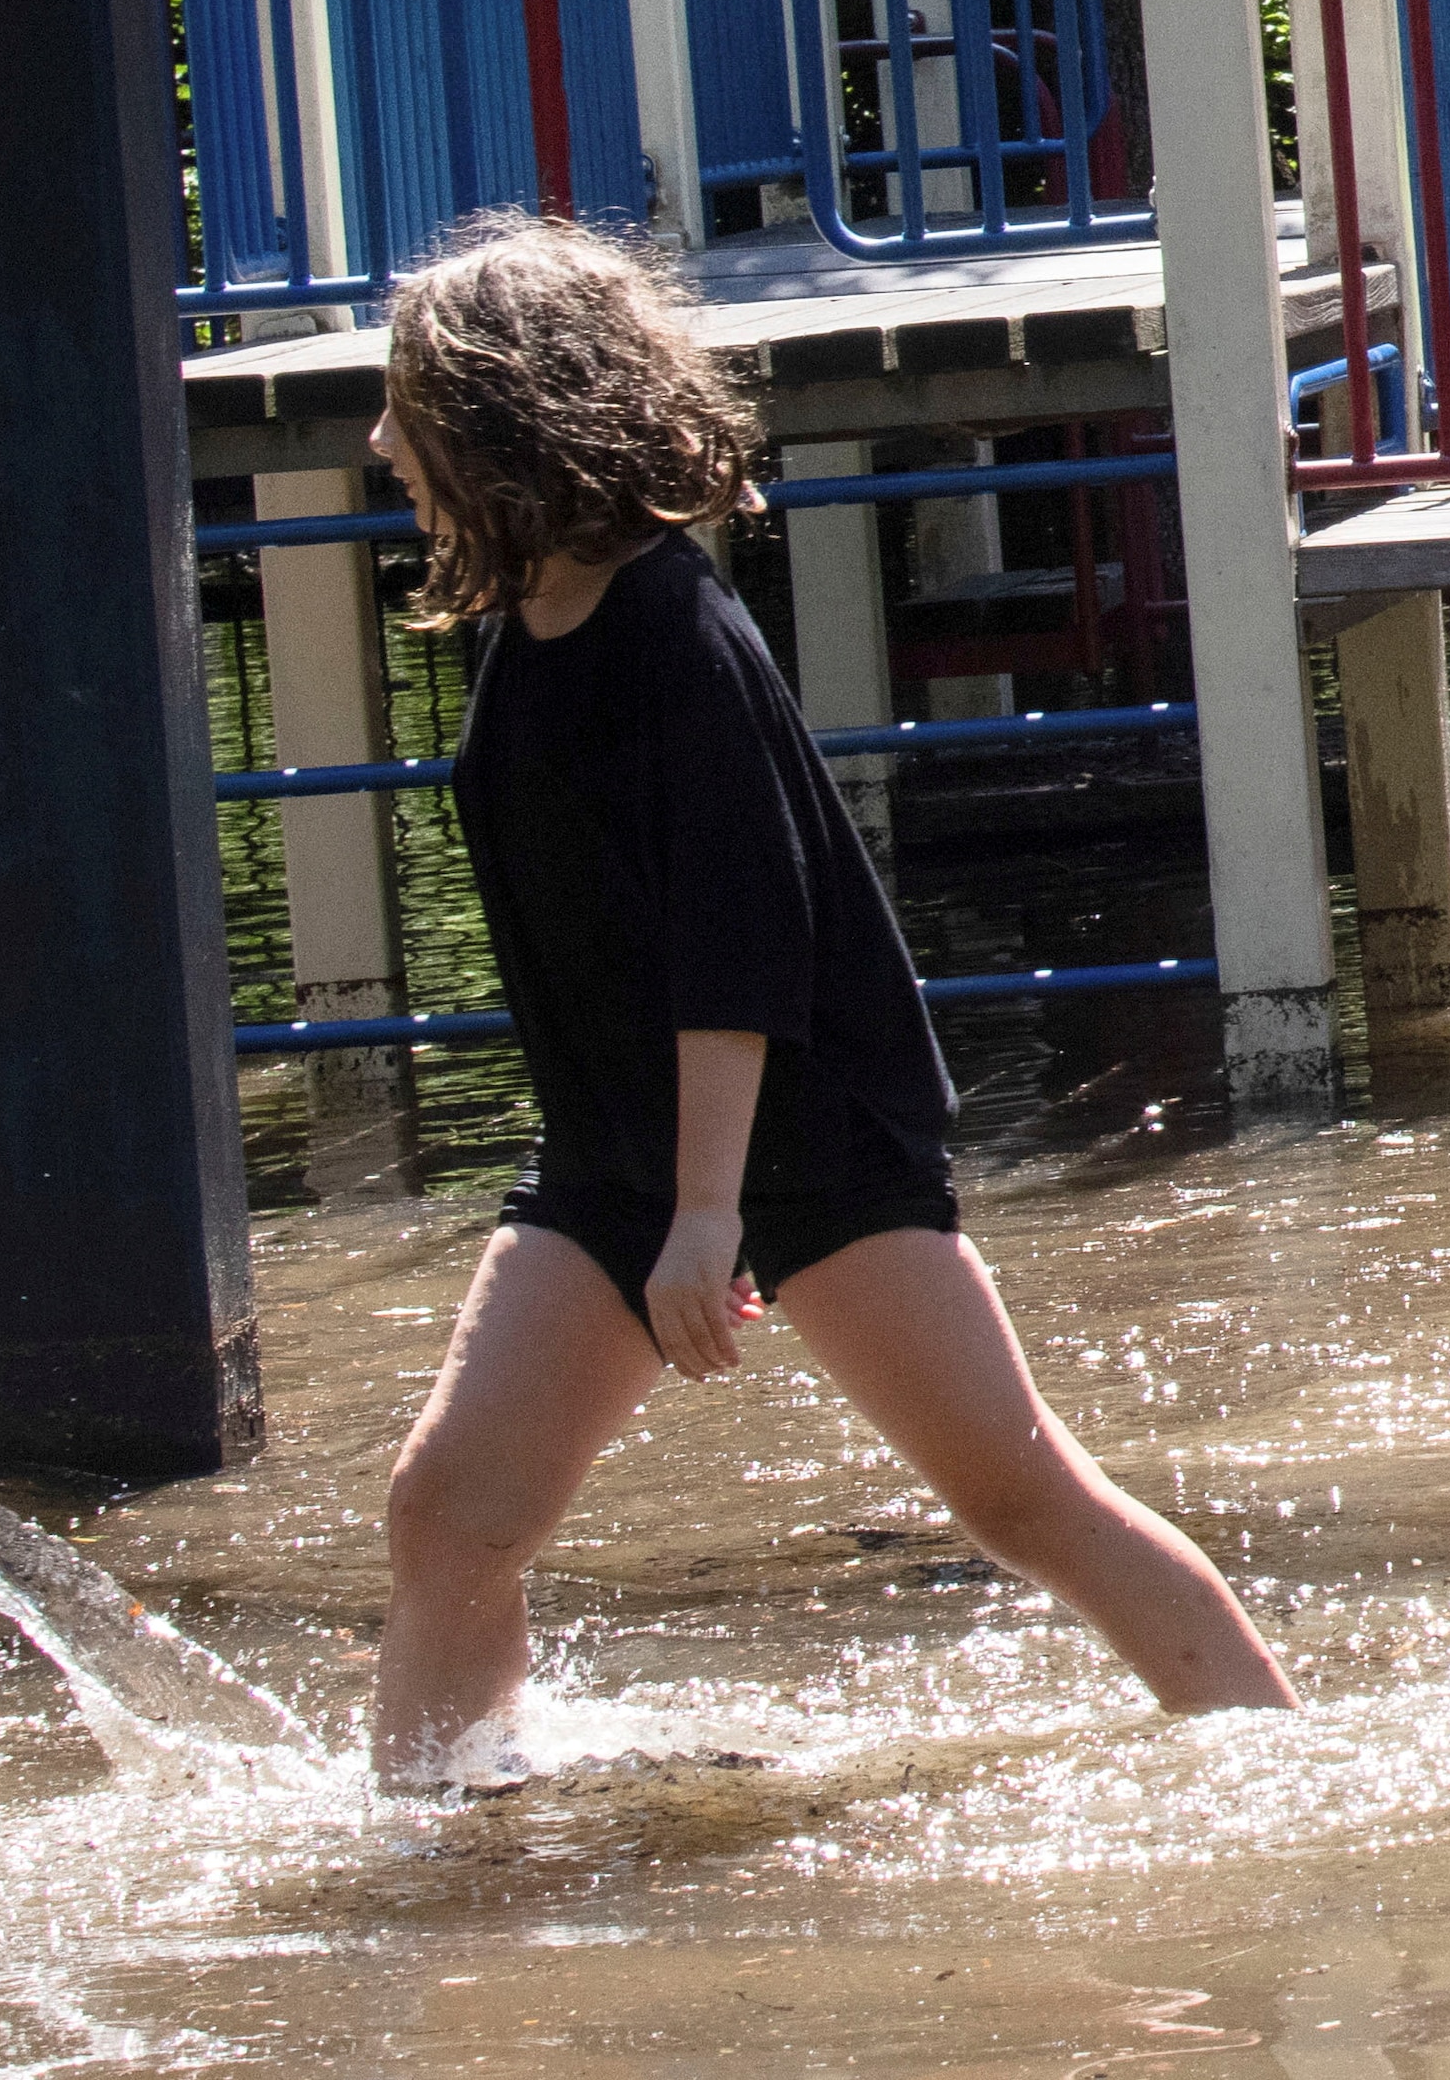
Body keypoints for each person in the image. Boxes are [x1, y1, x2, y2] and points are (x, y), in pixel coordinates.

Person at [361, 210, 1297, 1787]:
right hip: (620, 1158)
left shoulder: (673, 628)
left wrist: (709, 1214)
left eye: (411, 405)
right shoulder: (529, 625)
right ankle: (445, 1837)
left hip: (798, 1143)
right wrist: (655, 1194)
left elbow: (745, 937)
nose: (382, 436)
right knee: (449, 1512)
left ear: (505, 416)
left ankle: (1287, 1768)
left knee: (1018, 1501)